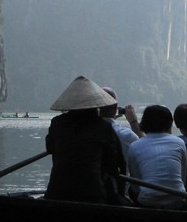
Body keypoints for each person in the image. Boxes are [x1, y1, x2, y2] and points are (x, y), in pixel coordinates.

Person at [44, 76, 126, 204]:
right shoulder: (103, 127)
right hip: (92, 195)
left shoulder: (57, 123)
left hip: (56, 193)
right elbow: (113, 165)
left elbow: (50, 148)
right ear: (96, 104)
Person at [125, 104, 187, 209]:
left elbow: (136, 184)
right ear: (169, 124)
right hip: (176, 199)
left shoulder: (135, 146)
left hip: (147, 201)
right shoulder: (179, 142)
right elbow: (182, 178)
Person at [98, 86, 141, 159]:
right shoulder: (127, 136)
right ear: (116, 108)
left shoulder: (85, 132)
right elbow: (144, 148)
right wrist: (133, 122)